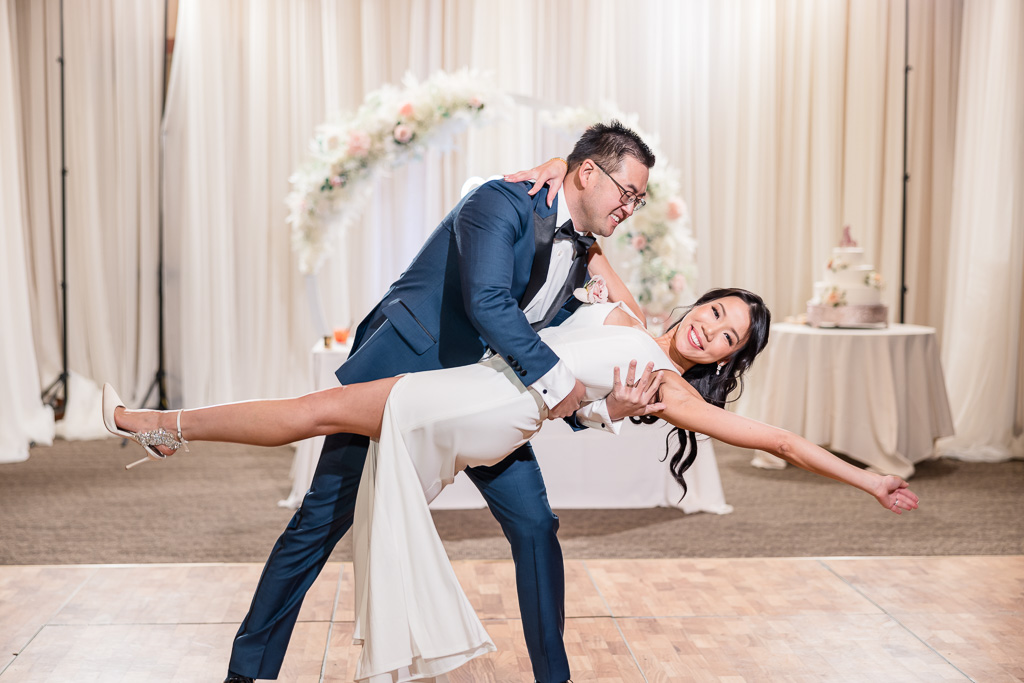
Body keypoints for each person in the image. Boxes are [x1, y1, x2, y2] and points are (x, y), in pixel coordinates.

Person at [104, 287, 920, 682]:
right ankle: (164, 429)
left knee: (314, 409)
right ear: (701, 301)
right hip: (483, 401)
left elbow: (775, 437)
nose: (709, 327)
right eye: (715, 311)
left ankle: (156, 424)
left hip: (475, 401)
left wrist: (868, 478)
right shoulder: (629, 309)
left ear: (721, 362)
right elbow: (588, 209)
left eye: (726, 338)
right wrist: (547, 166)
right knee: (324, 430)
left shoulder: (665, 384)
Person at [232, 121, 656, 683]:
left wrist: (596, 402)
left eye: (639, 200)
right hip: (403, 379)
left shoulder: (580, 251)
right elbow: (487, 301)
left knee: (535, 526)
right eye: (627, 192)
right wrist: (560, 387)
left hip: (480, 400)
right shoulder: (498, 201)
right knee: (320, 522)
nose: (630, 207)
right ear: (587, 172)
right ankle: (247, 672)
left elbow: (593, 330)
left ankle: (556, 678)